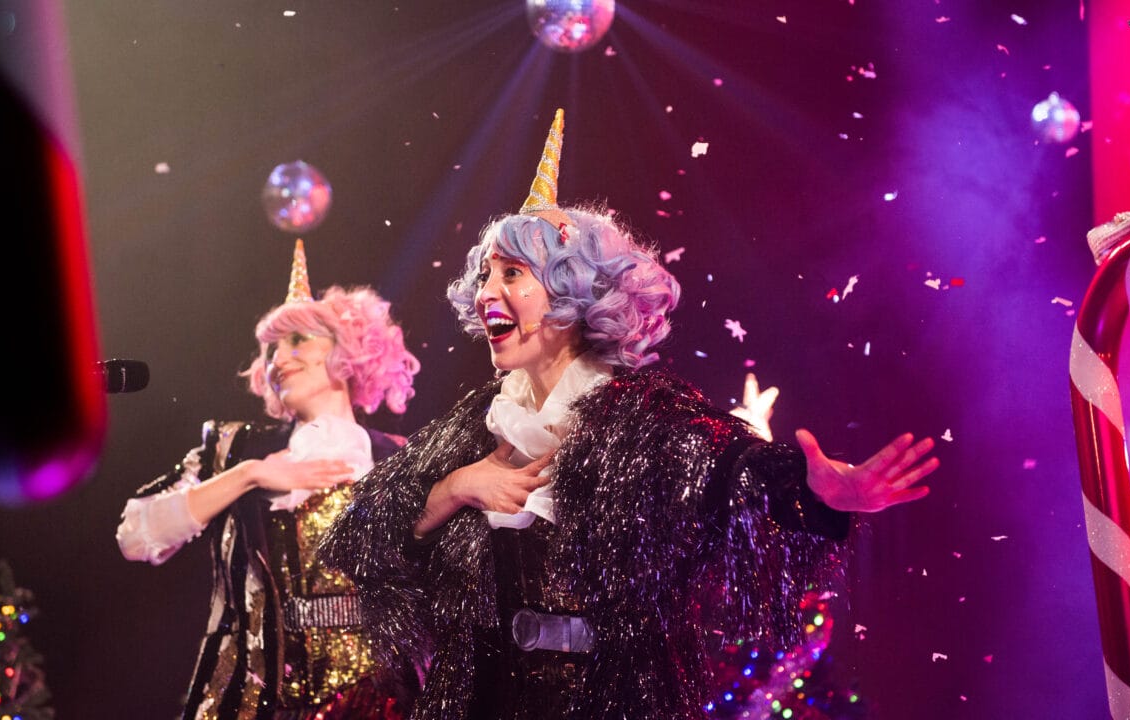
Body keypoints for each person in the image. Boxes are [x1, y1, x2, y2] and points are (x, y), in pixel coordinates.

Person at [320, 110, 937, 719]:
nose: (486, 292)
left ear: (571, 293)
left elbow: (732, 468)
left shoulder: (646, 415)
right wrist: (457, 486)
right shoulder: (473, 423)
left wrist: (821, 493)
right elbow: (363, 535)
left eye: (511, 273)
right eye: (485, 275)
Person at [116, 246, 422, 720]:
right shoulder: (235, 449)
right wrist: (250, 475)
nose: (279, 359)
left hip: (377, 699)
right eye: (271, 350)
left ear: (345, 349)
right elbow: (135, 536)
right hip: (256, 696)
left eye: (297, 340)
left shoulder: (398, 458)